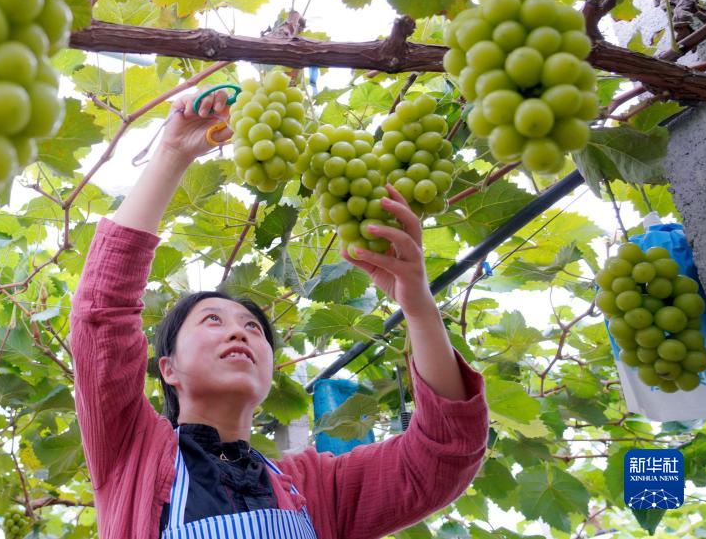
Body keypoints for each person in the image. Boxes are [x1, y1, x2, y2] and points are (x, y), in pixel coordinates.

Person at [70, 86, 490, 539]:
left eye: (254, 328)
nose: (241, 333)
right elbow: (103, 311)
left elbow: (444, 454)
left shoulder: (318, 489)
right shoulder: (132, 452)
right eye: (213, 320)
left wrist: (418, 304)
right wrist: (172, 153)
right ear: (168, 369)